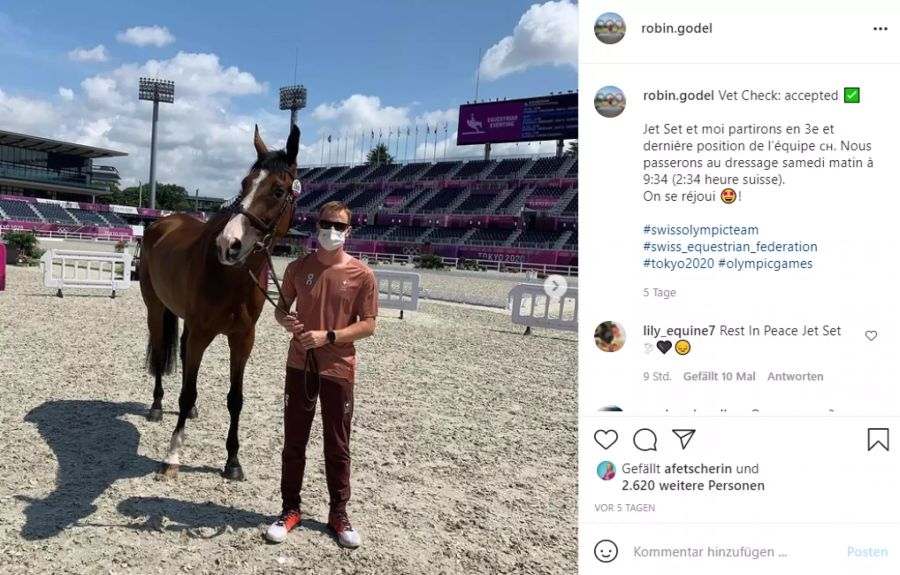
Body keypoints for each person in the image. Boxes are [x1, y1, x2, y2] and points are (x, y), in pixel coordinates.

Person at [266, 201, 378, 547]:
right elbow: (281, 312)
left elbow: (369, 325)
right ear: (316, 226)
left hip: (338, 368)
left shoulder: (362, 275)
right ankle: (290, 509)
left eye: (339, 226)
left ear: (349, 231)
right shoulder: (298, 268)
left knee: (337, 444)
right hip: (299, 363)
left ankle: (338, 514)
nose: (331, 231)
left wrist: (327, 336)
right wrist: (291, 325)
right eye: (326, 224)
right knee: (294, 442)